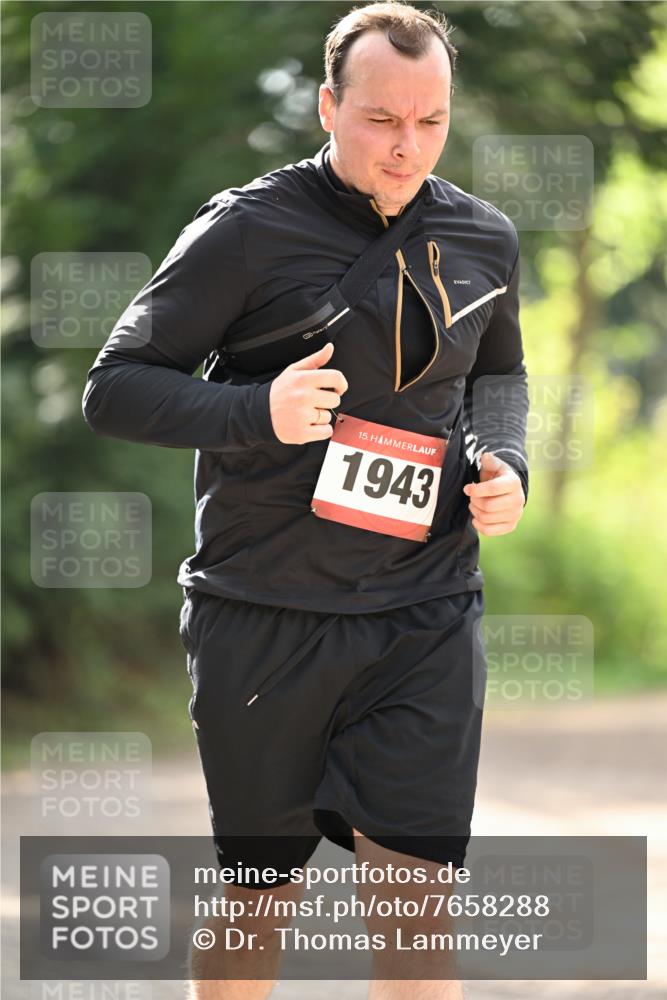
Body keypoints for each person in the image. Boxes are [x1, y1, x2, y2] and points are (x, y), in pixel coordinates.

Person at [82, 3, 529, 997]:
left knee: (417, 903)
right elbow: (114, 389)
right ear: (329, 107)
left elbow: (498, 376)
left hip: (423, 610)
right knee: (257, 897)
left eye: (430, 120)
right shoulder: (243, 230)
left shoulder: (483, 238)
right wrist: (259, 410)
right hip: (264, 614)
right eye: (380, 120)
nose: (406, 146)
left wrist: (506, 465)